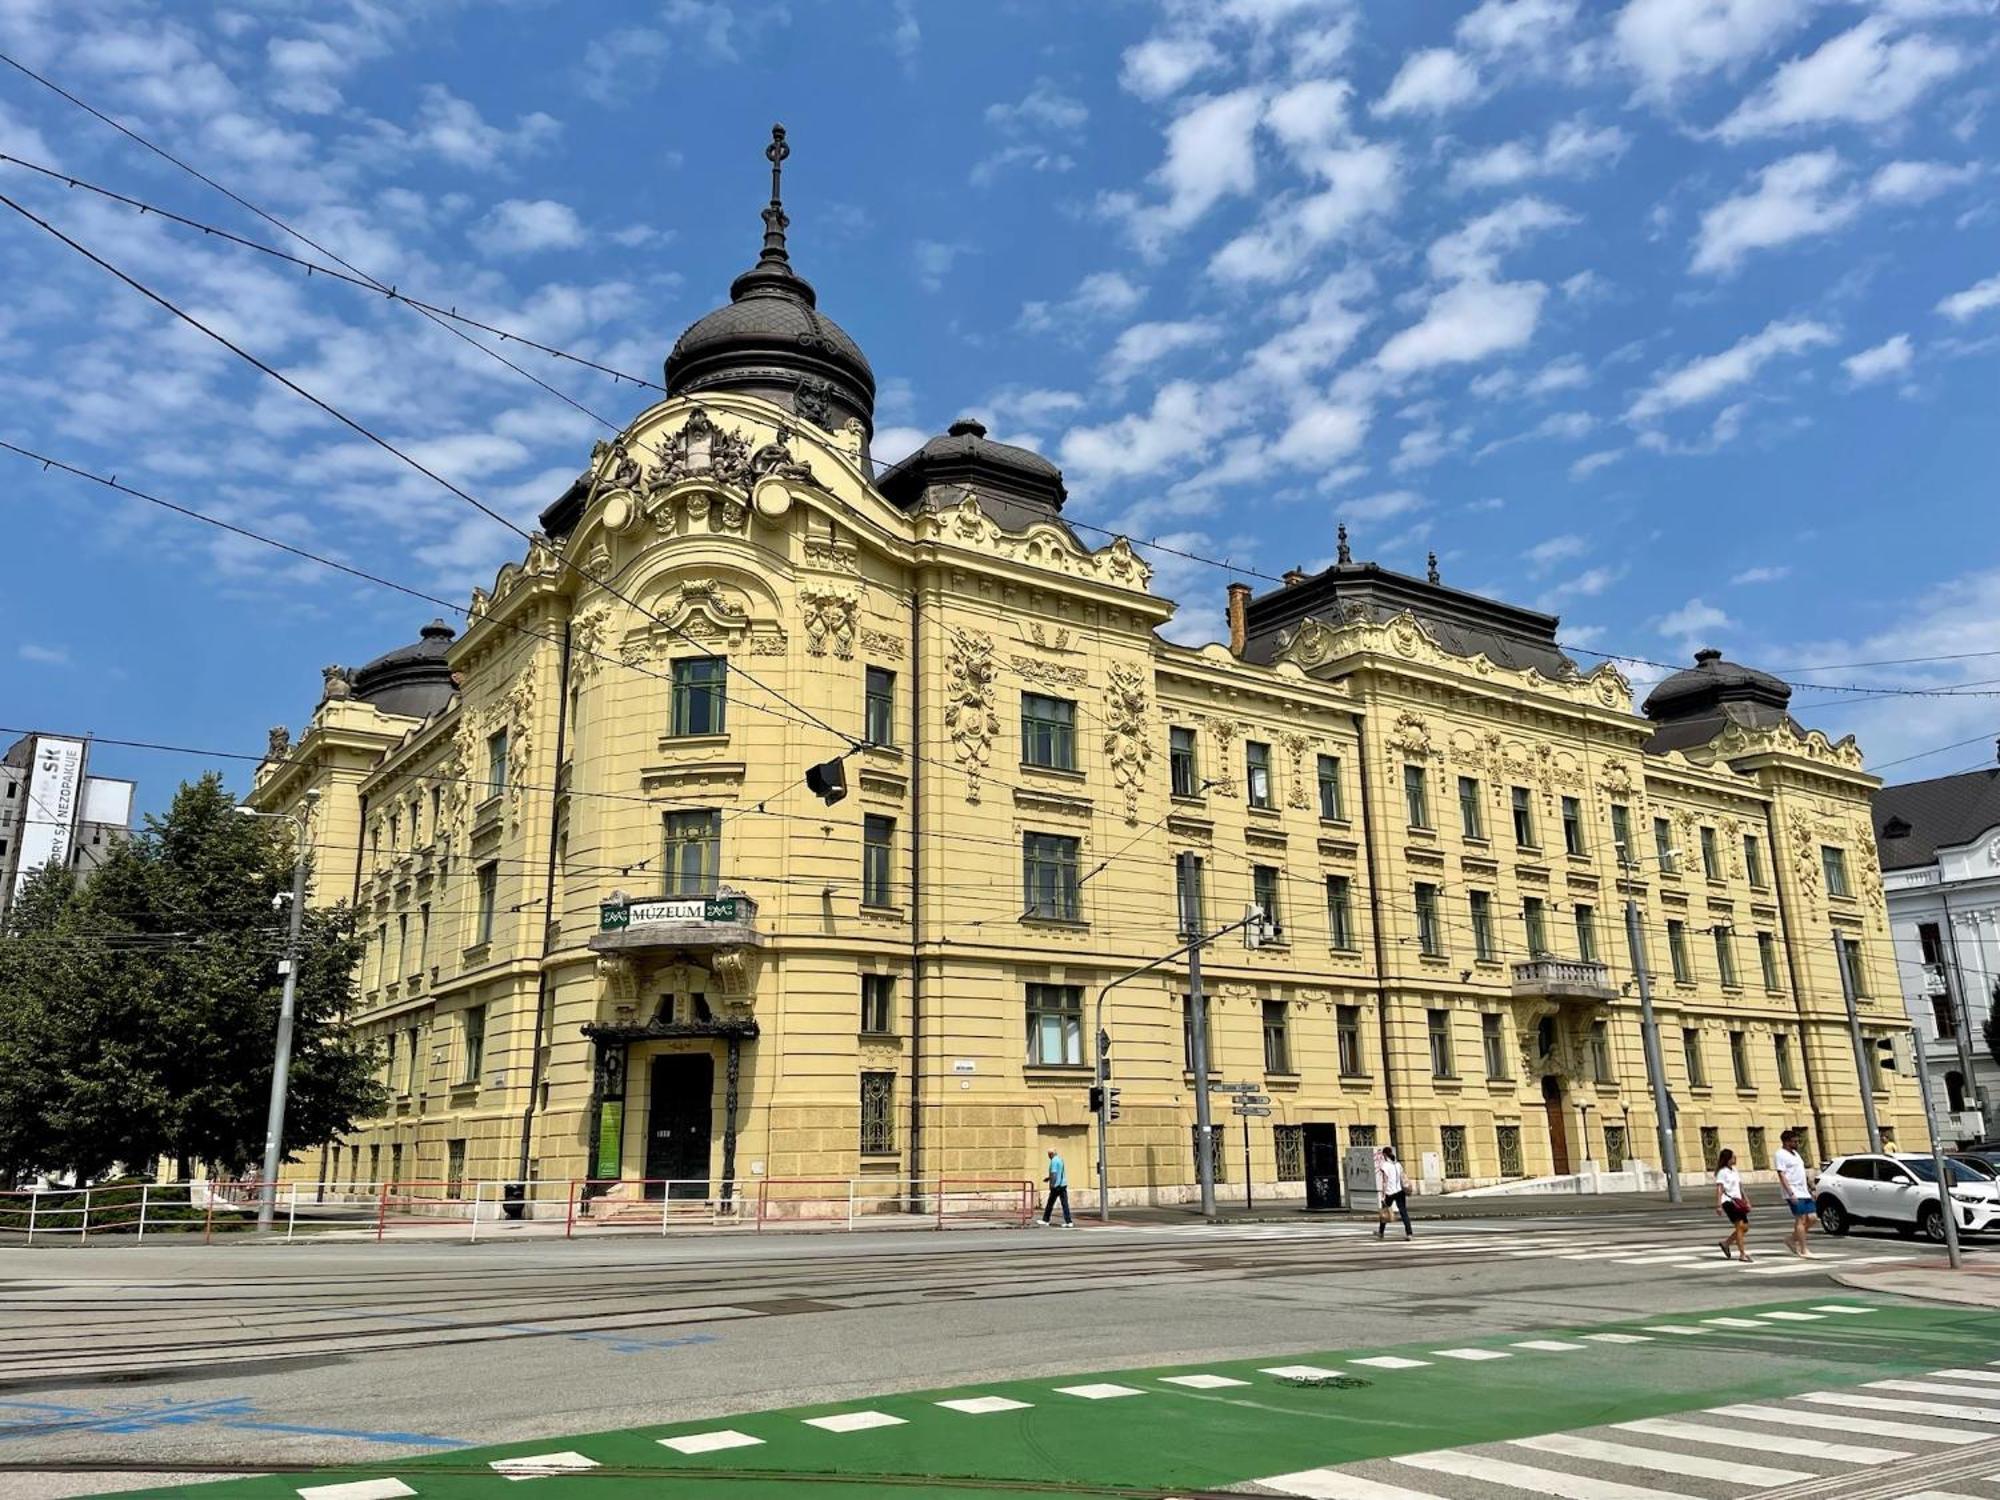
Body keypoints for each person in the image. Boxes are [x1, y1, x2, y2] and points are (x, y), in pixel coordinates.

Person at [1774, 1129, 1817, 1257]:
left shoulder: (1796, 1154)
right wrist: (1790, 1193)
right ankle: (1804, 1249)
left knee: (1813, 1218)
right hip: (1793, 1191)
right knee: (1801, 1219)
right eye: (1794, 1141)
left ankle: (1791, 1239)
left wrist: (1811, 1188)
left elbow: (1802, 1172)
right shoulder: (1780, 1154)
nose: (1797, 1143)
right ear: (1787, 1142)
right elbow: (1781, 1174)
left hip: (1804, 1190)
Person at [1715, 1147, 1752, 1262]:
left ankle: (1726, 1243)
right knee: (1740, 1226)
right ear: (1728, 1159)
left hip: (1738, 1201)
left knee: (1745, 1227)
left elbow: (1740, 1186)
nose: (1735, 1158)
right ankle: (1742, 1254)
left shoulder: (1735, 1170)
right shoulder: (1722, 1172)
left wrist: (1746, 1199)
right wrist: (1718, 1205)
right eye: (1733, 1157)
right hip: (1728, 1201)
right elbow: (1719, 1188)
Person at [1376, 1146, 1412, 1239]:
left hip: (1389, 1192)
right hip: (1400, 1191)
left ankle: (1381, 1232)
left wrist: (1383, 1195)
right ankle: (1409, 1233)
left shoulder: (1385, 1165)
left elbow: (1385, 1181)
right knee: (1403, 1212)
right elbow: (1402, 1177)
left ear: (1384, 1155)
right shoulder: (1398, 1164)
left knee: (1384, 1212)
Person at [1040, 1148, 1073, 1227]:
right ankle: (1069, 1222)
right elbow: (1059, 1173)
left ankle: (1045, 1220)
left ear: (1051, 1154)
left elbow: (1054, 1174)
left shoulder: (1054, 1161)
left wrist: (1052, 1185)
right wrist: (1048, 1178)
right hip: (1063, 1184)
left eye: (1048, 1154)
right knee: (1065, 1204)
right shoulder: (1060, 1160)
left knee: (1050, 1203)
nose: (1048, 1156)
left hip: (1057, 1186)